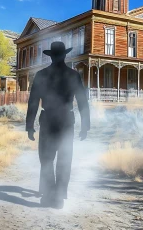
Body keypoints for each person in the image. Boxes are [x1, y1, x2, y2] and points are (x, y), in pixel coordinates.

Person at [25, 41, 90, 209]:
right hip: (66, 121)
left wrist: (29, 125)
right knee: (64, 159)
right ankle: (59, 198)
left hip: (47, 120)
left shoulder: (41, 75)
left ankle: (48, 195)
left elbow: (33, 103)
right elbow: (83, 102)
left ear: (51, 56)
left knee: (46, 159)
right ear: (65, 55)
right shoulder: (73, 75)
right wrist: (85, 125)